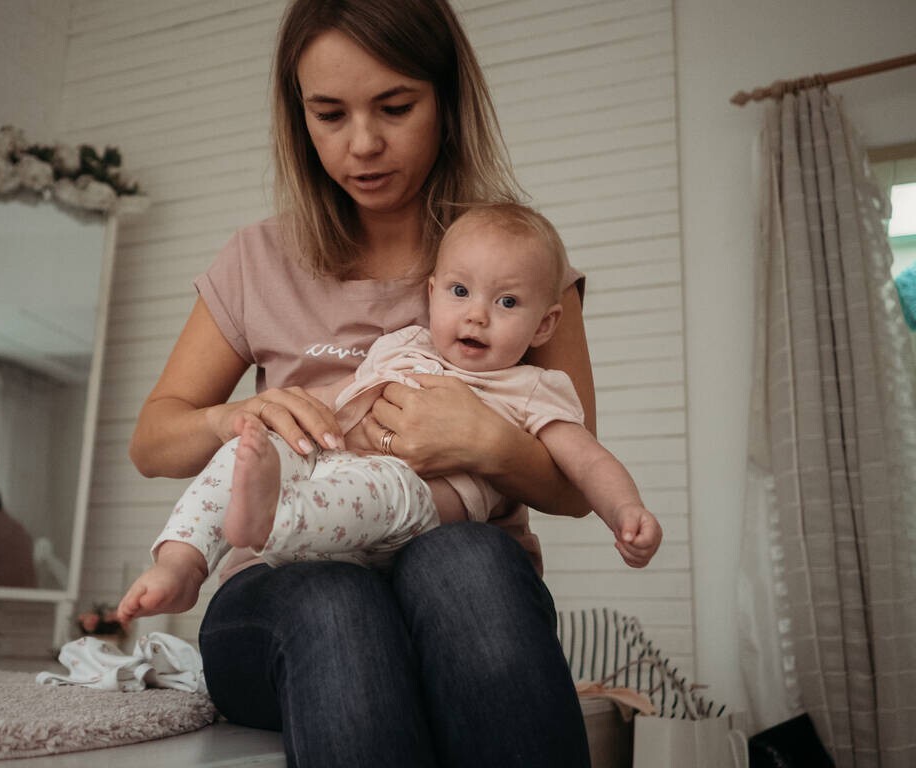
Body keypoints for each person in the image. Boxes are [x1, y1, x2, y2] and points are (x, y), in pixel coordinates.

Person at [122, 0, 598, 764]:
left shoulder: (518, 271)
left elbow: (578, 486)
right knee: (336, 600)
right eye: (329, 114)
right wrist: (235, 419)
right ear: (298, 116)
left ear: (447, 99)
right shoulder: (256, 259)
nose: (364, 145)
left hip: (459, 590)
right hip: (282, 595)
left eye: (395, 107)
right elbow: (152, 440)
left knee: (465, 558)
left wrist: (488, 442)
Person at [128, 204, 661, 579]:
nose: (477, 313)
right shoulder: (407, 344)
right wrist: (275, 422)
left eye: (507, 304)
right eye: (459, 292)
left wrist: (627, 511)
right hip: (331, 461)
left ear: (545, 326)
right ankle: (182, 558)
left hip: (410, 508)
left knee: (385, 495)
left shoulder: (529, 390)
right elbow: (343, 393)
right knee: (240, 450)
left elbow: (587, 462)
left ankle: (273, 521)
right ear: (431, 295)